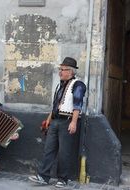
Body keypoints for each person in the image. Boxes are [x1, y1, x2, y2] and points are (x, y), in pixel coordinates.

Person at [28, 57, 86, 188]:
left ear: (71, 71)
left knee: (64, 152)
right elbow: (55, 105)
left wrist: (74, 122)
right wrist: (49, 120)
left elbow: (78, 105)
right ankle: (43, 176)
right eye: (60, 69)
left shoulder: (78, 85)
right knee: (49, 149)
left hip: (68, 121)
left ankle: (63, 179)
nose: (60, 72)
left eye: (63, 69)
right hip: (55, 121)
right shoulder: (60, 85)